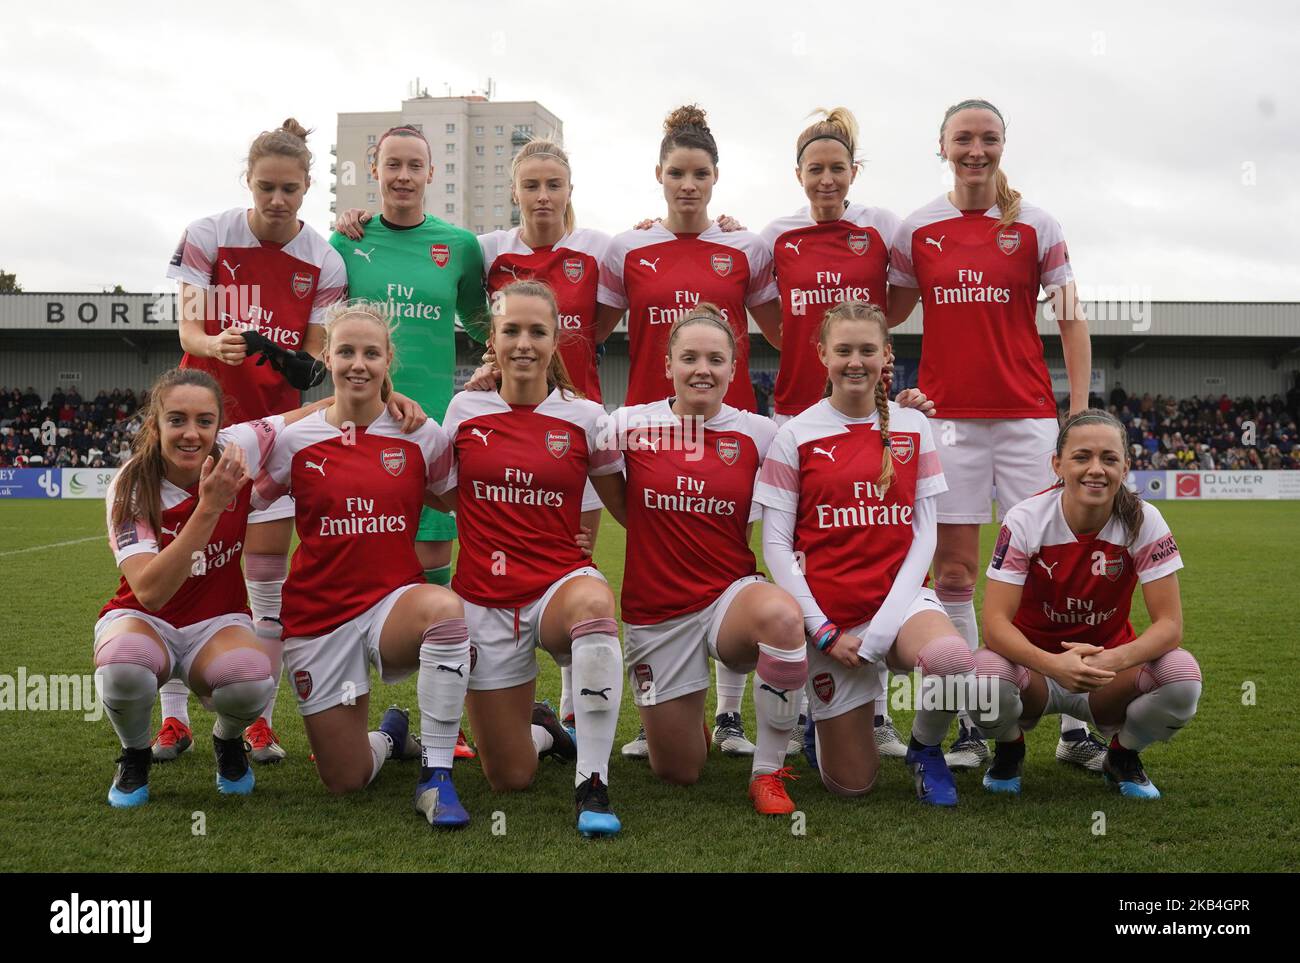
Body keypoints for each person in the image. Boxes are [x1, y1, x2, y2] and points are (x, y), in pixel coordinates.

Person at [887, 98, 1099, 771]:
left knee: (1051, 569)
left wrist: (1080, 415)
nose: (975, 150)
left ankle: (1073, 721)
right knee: (952, 571)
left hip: (1028, 419)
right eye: (963, 138)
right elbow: (875, 312)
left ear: (1003, 144)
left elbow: (1070, 320)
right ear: (941, 145)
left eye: (988, 138)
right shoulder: (917, 228)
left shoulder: (1036, 224)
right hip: (947, 425)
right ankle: (974, 722)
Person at [162, 118, 348, 764]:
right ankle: (173, 718)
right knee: (186, 569)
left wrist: (297, 361)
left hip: (270, 439)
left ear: (306, 189)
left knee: (265, 581)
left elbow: (314, 359)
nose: (277, 200)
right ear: (248, 181)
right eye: (266, 186)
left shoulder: (324, 259)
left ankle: (259, 719)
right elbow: (189, 330)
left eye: (289, 189)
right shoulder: (210, 234)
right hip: (197, 430)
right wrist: (214, 344)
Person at [598, 103, 777, 757]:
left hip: (725, 429)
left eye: (700, 173)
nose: (689, 184)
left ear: (716, 177)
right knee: (658, 559)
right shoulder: (628, 248)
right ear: (659, 173)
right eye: (677, 172)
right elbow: (584, 333)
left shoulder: (745, 248)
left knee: (729, 558)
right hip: (653, 429)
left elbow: (783, 334)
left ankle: (729, 715)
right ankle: (666, 715)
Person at [253, 300, 473, 827]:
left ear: (388, 360)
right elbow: (253, 503)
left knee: (445, 610)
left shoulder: (421, 434)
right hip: (318, 619)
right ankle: (391, 733)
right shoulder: (294, 441)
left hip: (391, 606)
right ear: (326, 357)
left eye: (371, 353)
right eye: (346, 351)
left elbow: (464, 500)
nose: (358, 363)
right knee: (345, 780)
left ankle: (436, 773)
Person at [430, 280, 626, 837]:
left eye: (537, 331)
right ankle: (545, 730)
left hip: (557, 585)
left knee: (593, 604)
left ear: (555, 338)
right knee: (509, 777)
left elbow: (627, 505)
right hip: (483, 600)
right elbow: (444, 489)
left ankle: (593, 782)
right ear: (492, 338)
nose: (524, 342)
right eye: (511, 330)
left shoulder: (587, 417)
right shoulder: (464, 408)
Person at [756, 301, 972, 806]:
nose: (856, 361)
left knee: (952, 659)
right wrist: (825, 632)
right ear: (822, 355)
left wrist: (878, 633)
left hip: (898, 609)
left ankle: (925, 748)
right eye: (844, 350)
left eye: (868, 350)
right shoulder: (795, 435)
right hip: (829, 620)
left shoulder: (913, 427)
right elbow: (775, 546)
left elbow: (925, 536)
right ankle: (820, 727)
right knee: (851, 786)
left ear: (886, 355)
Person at [605, 304, 808, 814]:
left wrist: (895, 405)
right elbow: (582, 460)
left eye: (716, 359)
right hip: (658, 612)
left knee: (783, 617)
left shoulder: (762, 433)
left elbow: (834, 435)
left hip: (729, 600)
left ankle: (767, 771)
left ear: (733, 369)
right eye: (689, 357)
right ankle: (683, 714)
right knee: (679, 772)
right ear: (667, 365)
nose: (703, 369)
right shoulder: (627, 424)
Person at [330, 123, 489, 759]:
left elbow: (484, 323)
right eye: (391, 164)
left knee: (433, 576)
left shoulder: (459, 245)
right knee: (356, 568)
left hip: (429, 433)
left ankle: (433, 727)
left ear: (430, 173)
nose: (402, 176)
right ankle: (357, 722)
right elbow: (329, 329)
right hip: (359, 430)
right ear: (375, 169)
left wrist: (489, 371)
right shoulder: (348, 241)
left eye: (413, 165)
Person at [758, 106, 912, 760]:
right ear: (798, 174)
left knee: (870, 553)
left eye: (837, 168)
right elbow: (770, 315)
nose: (826, 180)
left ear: (854, 172)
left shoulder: (881, 229)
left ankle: (874, 712)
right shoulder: (775, 237)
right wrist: (808, 351)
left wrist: (862, 358)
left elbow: (897, 305)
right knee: (793, 558)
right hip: (794, 415)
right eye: (814, 169)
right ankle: (788, 711)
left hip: (862, 415)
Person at [95, 368, 313, 806]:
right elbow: (151, 591)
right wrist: (209, 508)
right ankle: (134, 753)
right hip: (144, 619)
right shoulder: (132, 485)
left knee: (253, 680)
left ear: (220, 423)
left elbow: (317, 410)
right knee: (124, 664)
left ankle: (227, 741)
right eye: (176, 420)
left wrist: (390, 398)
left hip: (216, 621)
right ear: (154, 425)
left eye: (205, 421)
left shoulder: (239, 446)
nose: (191, 434)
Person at [973, 410, 1199, 798]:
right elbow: (995, 624)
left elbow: (1170, 626)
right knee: (980, 678)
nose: (1096, 469)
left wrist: (1110, 660)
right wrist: (1052, 665)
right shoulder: (1025, 519)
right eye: (1082, 457)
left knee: (1182, 677)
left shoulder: (1144, 520)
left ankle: (1122, 756)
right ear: (1057, 464)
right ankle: (1010, 748)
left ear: (1125, 467)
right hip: (1036, 673)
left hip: (1106, 677)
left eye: (1109, 459)